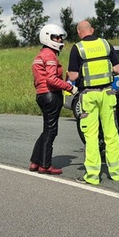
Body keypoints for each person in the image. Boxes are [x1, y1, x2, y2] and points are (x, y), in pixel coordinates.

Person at [67, 20, 119, 185]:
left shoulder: (78, 48)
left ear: (79, 33)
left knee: (91, 135)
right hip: (107, 93)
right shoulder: (106, 44)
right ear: (92, 30)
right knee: (111, 133)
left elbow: (73, 77)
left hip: (89, 96)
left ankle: (92, 176)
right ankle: (116, 173)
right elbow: (118, 69)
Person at [30, 24, 77, 175]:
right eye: (56, 37)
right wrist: (70, 87)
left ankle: (35, 162)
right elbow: (51, 79)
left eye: (60, 37)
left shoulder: (40, 55)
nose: (60, 40)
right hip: (51, 95)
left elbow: (40, 79)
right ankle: (45, 165)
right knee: (51, 131)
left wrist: (65, 79)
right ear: (47, 37)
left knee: (47, 130)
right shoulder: (50, 55)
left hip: (41, 94)